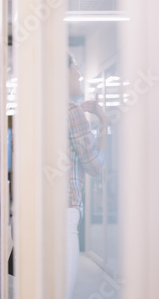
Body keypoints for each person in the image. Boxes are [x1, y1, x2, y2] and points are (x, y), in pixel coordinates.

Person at [66, 53, 108, 298]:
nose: (79, 74)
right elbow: (95, 166)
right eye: (76, 68)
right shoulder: (72, 111)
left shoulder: (35, 109)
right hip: (64, 213)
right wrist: (103, 124)